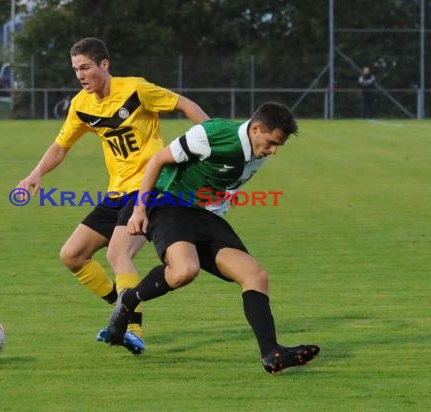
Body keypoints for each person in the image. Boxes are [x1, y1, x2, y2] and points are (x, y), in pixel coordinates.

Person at [15, 37, 208, 355]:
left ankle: (131, 328)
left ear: (104, 65)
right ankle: (123, 307)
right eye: (76, 68)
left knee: (118, 255)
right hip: (116, 191)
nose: (80, 74)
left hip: (150, 187)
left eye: (85, 67)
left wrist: (214, 137)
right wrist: (36, 173)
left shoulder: (136, 89)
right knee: (72, 255)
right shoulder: (82, 105)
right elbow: (61, 146)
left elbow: (185, 104)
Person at [107, 102, 320, 373]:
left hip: (201, 213)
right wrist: (139, 209)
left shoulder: (258, 154)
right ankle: (128, 301)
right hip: (166, 202)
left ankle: (271, 353)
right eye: (271, 143)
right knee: (185, 270)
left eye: (278, 146)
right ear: (256, 129)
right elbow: (158, 160)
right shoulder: (213, 134)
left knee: (255, 276)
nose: (273, 151)